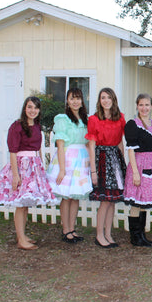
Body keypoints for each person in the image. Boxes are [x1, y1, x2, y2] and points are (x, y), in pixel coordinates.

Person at [0, 96, 58, 250]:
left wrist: (41, 166)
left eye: (35, 107)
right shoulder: (17, 126)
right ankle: (21, 239)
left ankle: (22, 235)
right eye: (29, 107)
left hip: (34, 168)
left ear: (39, 110)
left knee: (25, 204)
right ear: (24, 108)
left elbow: (38, 148)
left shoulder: (37, 126)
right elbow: (13, 152)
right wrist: (16, 175)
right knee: (20, 204)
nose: (32, 110)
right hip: (22, 167)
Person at [46, 88, 92, 243]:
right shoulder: (63, 119)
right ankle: (65, 230)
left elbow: (87, 142)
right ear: (67, 100)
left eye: (78, 98)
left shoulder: (85, 119)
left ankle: (72, 228)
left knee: (75, 196)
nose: (75, 101)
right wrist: (62, 169)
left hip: (81, 160)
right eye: (72, 98)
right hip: (67, 159)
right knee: (66, 196)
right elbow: (60, 145)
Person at [123, 93, 152, 247]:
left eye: (147, 105)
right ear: (137, 106)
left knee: (144, 201)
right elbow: (130, 150)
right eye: (141, 105)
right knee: (137, 201)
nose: (144, 108)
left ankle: (142, 235)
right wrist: (135, 172)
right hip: (140, 165)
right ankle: (135, 238)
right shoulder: (132, 124)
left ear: (151, 106)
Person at [85, 87, 126, 248]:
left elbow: (120, 142)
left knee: (112, 201)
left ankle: (108, 233)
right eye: (103, 98)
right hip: (101, 159)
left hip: (115, 158)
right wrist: (93, 171)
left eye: (108, 97)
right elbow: (91, 145)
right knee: (104, 200)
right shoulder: (94, 119)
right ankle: (99, 235)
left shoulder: (120, 118)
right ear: (99, 101)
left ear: (113, 100)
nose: (106, 100)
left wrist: (122, 164)